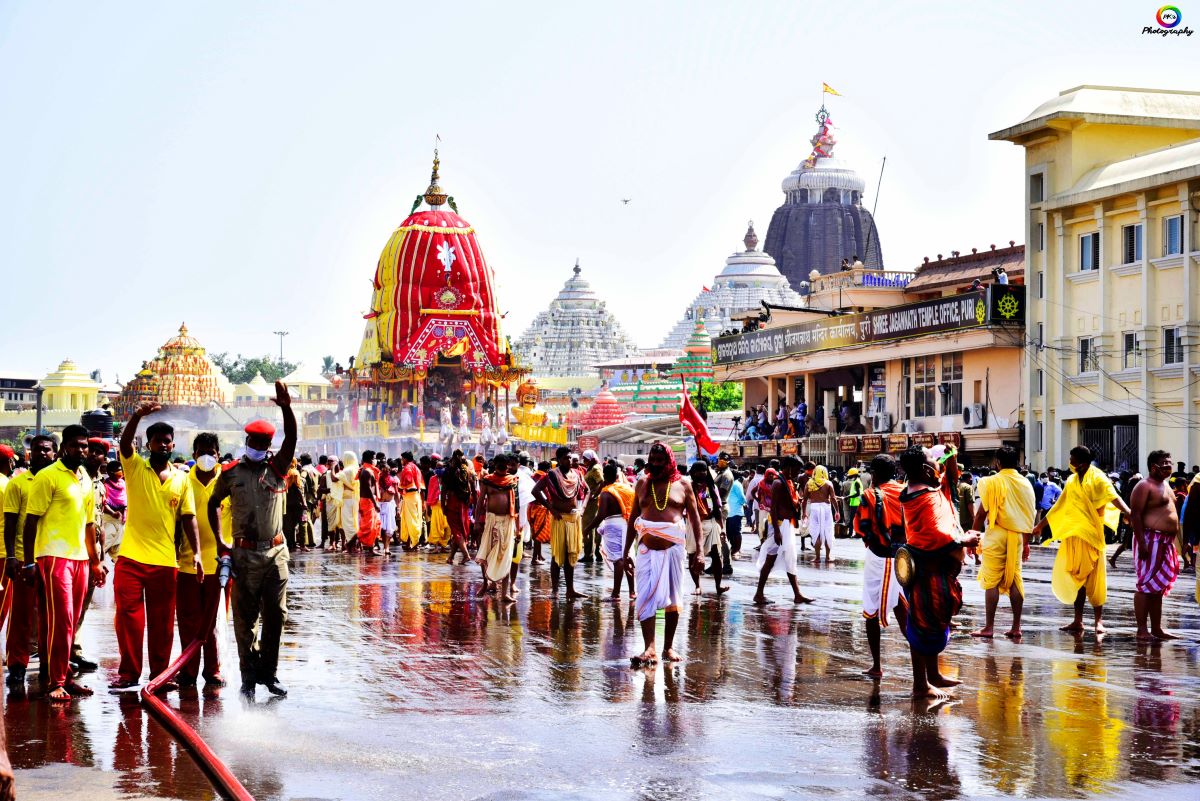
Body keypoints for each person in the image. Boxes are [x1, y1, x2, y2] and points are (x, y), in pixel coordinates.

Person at [209, 381, 296, 698]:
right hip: (243, 556)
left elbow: (292, 440)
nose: (256, 445)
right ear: (246, 440)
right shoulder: (230, 472)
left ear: (269, 444)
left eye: (263, 442)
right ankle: (248, 677)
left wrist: (286, 408)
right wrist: (221, 543)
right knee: (245, 620)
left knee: (276, 616)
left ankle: (269, 674)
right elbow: (212, 504)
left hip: (275, 554)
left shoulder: (278, 468)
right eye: (253, 441)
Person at [111, 403, 201, 691]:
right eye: (157, 440)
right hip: (131, 558)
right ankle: (128, 674)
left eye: (167, 441)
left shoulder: (181, 478)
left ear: (173, 444)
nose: (163, 445)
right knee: (130, 620)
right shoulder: (135, 466)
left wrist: (196, 552)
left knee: (162, 625)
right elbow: (125, 443)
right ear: (147, 444)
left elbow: (189, 518)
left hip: (165, 561)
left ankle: (159, 676)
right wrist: (138, 415)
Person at [22, 425, 105, 700]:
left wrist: (95, 562)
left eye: (84, 446)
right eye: (75, 445)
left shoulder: (84, 477)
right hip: (53, 556)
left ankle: (65, 677)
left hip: (81, 558)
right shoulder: (47, 477)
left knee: (72, 621)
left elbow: (89, 523)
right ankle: (56, 681)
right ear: (63, 448)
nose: (81, 450)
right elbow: (31, 520)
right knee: (62, 620)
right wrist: (28, 562)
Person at [896, 444, 979, 701]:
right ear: (924, 469)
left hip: (933, 571)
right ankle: (921, 684)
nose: (938, 463)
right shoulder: (925, 496)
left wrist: (951, 455)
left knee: (929, 625)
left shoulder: (926, 488)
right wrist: (964, 540)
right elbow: (935, 534)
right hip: (927, 571)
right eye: (933, 460)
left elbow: (949, 478)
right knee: (922, 629)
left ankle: (933, 674)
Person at [1033, 445, 1131, 636]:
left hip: (1092, 536)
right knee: (1077, 578)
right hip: (1074, 535)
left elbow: (1113, 497)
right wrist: (1041, 526)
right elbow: (1059, 506)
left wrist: (1128, 512)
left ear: (1081, 462)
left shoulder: (1098, 478)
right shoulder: (1070, 480)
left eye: (1072, 459)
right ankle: (1077, 621)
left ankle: (1098, 621)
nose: (1069, 462)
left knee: (1095, 580)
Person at [622, 442, 701, 665]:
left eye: (660, 461)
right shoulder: (641, 484)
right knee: (644, 597)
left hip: (674, 551)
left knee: (673, 599)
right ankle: (649, 648)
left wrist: (700, 553)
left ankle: (668, 647)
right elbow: (632, 519)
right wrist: (626, 550)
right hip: (646, 551)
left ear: (669, 462)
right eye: (652, 460)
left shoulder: (683, 484)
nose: (655, 465)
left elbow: (694, 519)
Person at [969, 446, 1036, 641]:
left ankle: (989, 627)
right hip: (1017, 537)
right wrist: (1026, 542)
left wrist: (973, 537)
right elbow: (1029, 515)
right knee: (1015, 578)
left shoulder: (992, 482)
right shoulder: (1025, 484)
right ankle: (1016, 627)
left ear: (998, 462)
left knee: (991, 581)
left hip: (997, 534)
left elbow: (981, 514)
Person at [177, 432, 227, 688]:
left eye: (212, 452)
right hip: (187, 563)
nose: (207, 457)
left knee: (214, 621)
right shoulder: (183, 481)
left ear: (218, 455)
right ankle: (188, 669)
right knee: (188, 620)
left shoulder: (227, 482)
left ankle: (213, 669)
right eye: (202, 452)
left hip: (220, 566)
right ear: (193, 455)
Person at [3, 436, 54, 688]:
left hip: (54, 558)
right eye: (37, 450)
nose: (42, 453)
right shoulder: (19, 484)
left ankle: (49, 664)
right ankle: (17, 665)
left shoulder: (62, 479)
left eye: (47, 450)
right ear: (29, 454)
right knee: (22, 616)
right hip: (25, 558)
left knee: (50, 616)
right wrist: (12, 556)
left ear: (55, 453)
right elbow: (11, 522)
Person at [855, 454, 907, 678]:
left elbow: (860, 527)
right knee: (903, 607)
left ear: (874, 474)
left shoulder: (870, 495)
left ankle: (876, 666)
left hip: (880, 557)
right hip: (907, 556)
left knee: (871, 610)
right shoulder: (907, 491)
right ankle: (922, 666)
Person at [1129, 450, 1181, 641]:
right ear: (1153, 466)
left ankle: (1157, 628)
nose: (1168, 465)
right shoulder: (1144, 486)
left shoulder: (1166, 485)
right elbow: (1135, 515)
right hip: (1151, 540)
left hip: (1166, 543)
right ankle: (1142, 629)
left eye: (1170, 462)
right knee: (1146, 585)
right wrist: (1142, 542)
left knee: (1157, 588)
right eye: (1164, 463)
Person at [752, 456, 812, 605]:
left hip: (787, 525)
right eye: (797, 470)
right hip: (779, 526)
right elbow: (773, 509)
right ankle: (759, 594)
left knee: (790, 559)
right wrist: (777, 531)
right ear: (789, 468)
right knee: (771, 559)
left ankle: (797, 594)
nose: (798, 473)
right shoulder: (778, 483)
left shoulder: (789, 482)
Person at [533, 446, 589, 599]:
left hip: (573, 519)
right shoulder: (551, 475)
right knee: (558, 555)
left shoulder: (577, 474)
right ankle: (555, 590)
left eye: (570, 457)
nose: (569, 460)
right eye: (565, 458)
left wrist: (582, 509)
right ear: (558, 460)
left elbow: (588, 490)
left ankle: (570, 589)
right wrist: (551, 508)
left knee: (571, 554)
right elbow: (535, 491)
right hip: (559, 519)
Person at [474, 453, 519, 603]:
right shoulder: (487, 480)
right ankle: (486, 583)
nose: (502, 468)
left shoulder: (512, 481)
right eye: (500, 465)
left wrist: (517, 528)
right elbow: (480, 502)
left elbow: (516, 505)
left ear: (507, 466)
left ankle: (504, 593)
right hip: (491, 521)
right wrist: (476, 522)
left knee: (505, 556)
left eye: (504, 466)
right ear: (496, 465)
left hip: (508, 521)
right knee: (487, 554)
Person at [595, 461, 636, 601]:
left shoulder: (606, 493)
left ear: (605, 476)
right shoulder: (627, 489)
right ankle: (632, 592)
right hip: (627, 524)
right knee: (627, 556)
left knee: (618, 560)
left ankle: (616, 594)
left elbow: (601, 515)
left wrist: (588, 528)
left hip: (613, 525)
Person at [687, 461, 727, 596]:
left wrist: (722, 528)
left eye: (704, 470)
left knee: (716, 555)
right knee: (693, 556)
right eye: (699, 470)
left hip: (711, 522)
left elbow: (717, 508)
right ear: (693, 473)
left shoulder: (711, 487)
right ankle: (697, 586)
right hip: (693, 524)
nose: (702, 473)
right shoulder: (688, 487)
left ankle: (718, 586)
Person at [442, 450, 475, 565]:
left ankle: (466, 555)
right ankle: (451, 557)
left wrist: (443, 505)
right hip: (464, 504)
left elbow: (444, 491)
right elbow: (473, 489)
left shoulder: (448, 471)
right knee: (459, 530)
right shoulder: (467, 471)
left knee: (456, 531)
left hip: (452, 503)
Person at [803, 465, 839, 563]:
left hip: (814, 508)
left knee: (817, 534)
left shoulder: (809, 483)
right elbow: (833, 498)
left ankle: (818, 558)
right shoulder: (828, 483)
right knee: (828, 532)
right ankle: (827, 557)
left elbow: (804, 500)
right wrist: (837, 511)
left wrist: (804, 513)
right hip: (826, 508)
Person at [580, 450, 604, 564]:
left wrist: (595, 495)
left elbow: (602, 482)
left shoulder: (595, 468)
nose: (584, 461)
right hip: (590, 501)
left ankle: (590, 554)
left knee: (588, 526)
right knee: (592, 526)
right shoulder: (591, 467)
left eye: (585, 458)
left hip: (592, 502)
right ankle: (593, 553)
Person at [527, 461, 553, 565]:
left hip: (531, 506)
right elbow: (547, 492)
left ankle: (539, 554)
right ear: (547, 469)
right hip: (540, 507)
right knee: (538, 533)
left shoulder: (533, 475)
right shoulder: (545, 477)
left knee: (535, 531)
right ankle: (534, 558)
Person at [356, 450, 382, 554]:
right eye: (375, 458)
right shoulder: (366, 471)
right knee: (368, 527)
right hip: (368, 501)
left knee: (373, 525)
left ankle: (370, 547)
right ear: (371, 459)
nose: (376, 460)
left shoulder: (368, 470)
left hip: (370, 500)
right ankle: (352, 543)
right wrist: (375, 504)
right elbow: (368, 489)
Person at [100, 458, 127, 559]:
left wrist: (124, 512)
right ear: (110, 473)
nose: (120, 473)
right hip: (109, 520)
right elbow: (104, 503)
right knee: (102, 548)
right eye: (118, 471)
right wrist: (112, 513)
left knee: (119, 556)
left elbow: (125, 501)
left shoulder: (123, 484)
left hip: (121, 522)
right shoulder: (105, 486)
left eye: (121, 470)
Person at [398, 451, 424, 551]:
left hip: (409, 496)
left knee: (411, 520)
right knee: (412, 519)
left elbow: (407, 481)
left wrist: (401, 487)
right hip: (415, 496)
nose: (401, 461)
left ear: (405, 459)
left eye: (402, 459)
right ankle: (409, 543)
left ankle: (415, 543)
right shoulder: (416, 467)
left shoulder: (407, 468)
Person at [425, 454, 450, 552]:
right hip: (435, 505)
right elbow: (429, 493)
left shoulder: (447, 479)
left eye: (441, 467)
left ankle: (443, 546)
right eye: (437, 467)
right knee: (435, 527)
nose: (439, 469)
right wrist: (428, 507)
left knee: (447, 527)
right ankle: (435, 547)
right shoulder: (432, 479)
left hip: (446, 505)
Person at [338, 452, 360, 547]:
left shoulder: (346, 471)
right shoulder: (357, 469)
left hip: (346, 499)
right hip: (356, 498)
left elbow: (337, 480)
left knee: (348, 522)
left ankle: (352, 545)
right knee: (355, 521)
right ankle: (357, 544)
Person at [725, 470, 746, 560]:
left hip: (735, 511)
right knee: (729, 532)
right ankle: (734, 547)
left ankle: (736, 549)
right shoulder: (730, 483)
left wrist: (743, 504)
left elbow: (742, 497)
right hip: (730, 512)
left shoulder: (736, 484)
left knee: (735, 532)